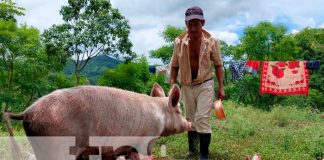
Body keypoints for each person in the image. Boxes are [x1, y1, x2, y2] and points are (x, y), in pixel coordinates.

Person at [170, 6, 225, 160]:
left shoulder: (212, 42)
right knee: (190, 119)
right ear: (186, 24)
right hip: (186, 85)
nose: (193, 28)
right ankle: (192, 150)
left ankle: (204, 155)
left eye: (196, 24)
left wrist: (221, 86)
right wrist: (173, 85)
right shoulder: (179, 42)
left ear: (203, 23)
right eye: (190, 24)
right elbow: (174, 65)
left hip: (205, 83)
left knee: (202, 118)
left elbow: (219, 65)